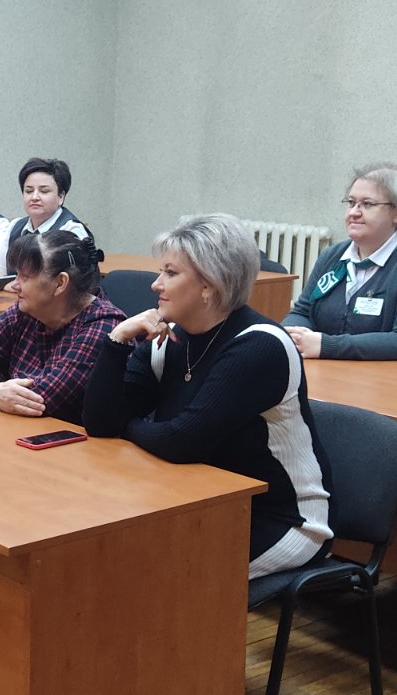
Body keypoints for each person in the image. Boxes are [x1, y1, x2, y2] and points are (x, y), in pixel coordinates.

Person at [84, 214, 333, 579]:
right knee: (109, 556)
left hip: (283, 519)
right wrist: (117, 340)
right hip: (200, 500)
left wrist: (128, 425)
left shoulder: (260, 346)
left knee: (156, 577)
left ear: (209, 285)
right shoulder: (170, 337)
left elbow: (181, 442)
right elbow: (99, 422)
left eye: (170, 273)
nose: (155, 284)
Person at [0, 231, 124, 424]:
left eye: (25, 277)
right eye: (16, 274)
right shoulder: (24, 312)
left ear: (60, 283)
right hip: (16, 430)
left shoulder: (105, 324)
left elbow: (40, 400)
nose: (14, 285)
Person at [283, 162, 397, 359]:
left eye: (367, 204)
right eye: (351, 203)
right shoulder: (332, 256)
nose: (354, 212)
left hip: (383, 375)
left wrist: (327, 345)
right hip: (323, 368)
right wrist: (291, 334)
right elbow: (302, 313)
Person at [4, 157, 95, 265]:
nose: (34, 197)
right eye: (29, 191)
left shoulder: (71, 231)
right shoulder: (14, 227)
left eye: (44, 191)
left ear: (61, 197)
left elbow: (74, 275)